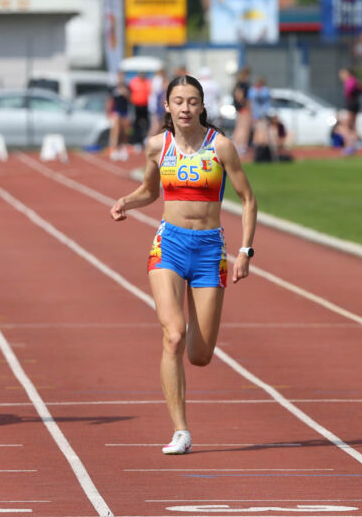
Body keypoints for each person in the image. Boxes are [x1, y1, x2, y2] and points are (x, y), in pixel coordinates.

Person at [109, 74, 257, 455]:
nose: (186, 108)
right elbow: (148, 190)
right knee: (173, 335)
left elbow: (248, 200)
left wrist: (245, 251)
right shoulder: (158, 146)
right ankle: (181, 431)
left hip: (210, 250)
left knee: (200, 355)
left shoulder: (220, 146)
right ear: (167, 106)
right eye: (179, 101)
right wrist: (127, 201)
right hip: (169, 246)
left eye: (193, 101)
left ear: (202, 106)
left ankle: (192, 337)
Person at [338, 67, 362, 153]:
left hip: (351, 105)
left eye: (342, 74)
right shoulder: (355, 81)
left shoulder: (350, 81)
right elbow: (361, 90)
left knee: (346, 126)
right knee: (352, 127)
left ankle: (349, 146)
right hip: (354, 105)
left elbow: (349, 91)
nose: (341, 76)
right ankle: (353, 146)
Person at [108, 71, 130, 161]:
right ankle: (114, 149)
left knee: (124, 131)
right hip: (115, 111)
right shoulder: (113, 88)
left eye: (122, 76)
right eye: (119, 76)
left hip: (124, 111)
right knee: (116, 131)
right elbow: (110, 100)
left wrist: (125, 93)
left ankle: (122, 149)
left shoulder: (127, 87)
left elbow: (130, 100)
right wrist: (108, 112)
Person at [231, 66, 252, 152]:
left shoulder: (238, 84)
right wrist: (245, 104)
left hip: (239, 109)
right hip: (243, 109)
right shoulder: (244, 84)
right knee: (244, 128)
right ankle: (241, 145)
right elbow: (239, 95)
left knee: (239, 127)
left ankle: (237, 145)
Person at [129, 71, 152, 146]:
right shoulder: (134, 82)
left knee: (147, 123)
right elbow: (130, 92)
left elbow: (150, 92)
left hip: (145, 106)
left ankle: (145, 139)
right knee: (136, 124)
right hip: (136, 106)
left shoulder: (147, 82)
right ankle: (136, 141)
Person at [148, 68, 168, 138]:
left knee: (162, 128)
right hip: (158, 111)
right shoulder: (160, 93)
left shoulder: (165, 93)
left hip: (161, 112)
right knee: (155, 128)